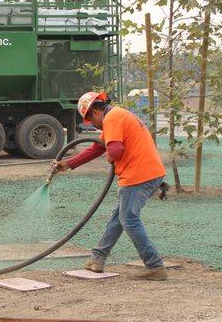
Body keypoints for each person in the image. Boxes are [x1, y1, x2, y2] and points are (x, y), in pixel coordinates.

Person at [52, 91, 168, 280]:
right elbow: (98, 147)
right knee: (119, 217)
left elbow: (114, 150)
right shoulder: (117, 116)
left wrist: (110, 157)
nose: (94, 126)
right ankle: (98, 259)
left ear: (95, 112)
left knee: (129, 220)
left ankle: (155, 266)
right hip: (146, 172)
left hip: (138, 174)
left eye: (90, 121)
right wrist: (69, 163)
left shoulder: (112, 118)